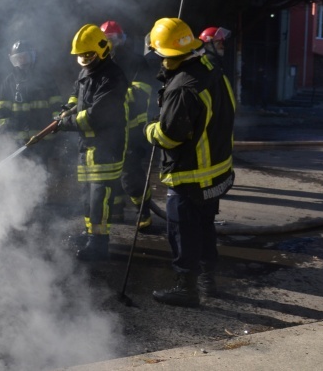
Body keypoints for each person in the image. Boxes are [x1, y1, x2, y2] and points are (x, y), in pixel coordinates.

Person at [145, 17, 236, 307]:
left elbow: (170, 136)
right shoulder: (211, 69)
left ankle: (187, 288)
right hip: (217, 174)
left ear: (165, 55)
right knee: (205, 227)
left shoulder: (181, 87)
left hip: (190, 177)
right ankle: (208, 281)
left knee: (183, 232)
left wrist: (149, 130)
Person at [55, 24, 129, 261]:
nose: (85, 59)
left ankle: (99, 243)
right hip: (87, 147)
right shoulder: (86, 73)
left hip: (106, 147)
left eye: (89, 55)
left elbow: (95, 116)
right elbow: (76, 96)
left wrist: (66, 123)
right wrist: (67, 109)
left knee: (100, 198)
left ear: (102, 50)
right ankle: (90, 234)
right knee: (88, 195)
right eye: (81, 56)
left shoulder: (113, 77)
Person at [100, 20, 155, 229]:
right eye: (105, 40)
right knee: (111, 174)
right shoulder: (101, 63)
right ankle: (116, 211)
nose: (109, 44)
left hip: (132, 129)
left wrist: (108, 96)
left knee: (130, 176)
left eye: (113, 39)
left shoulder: (137, 62)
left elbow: (140, 94)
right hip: (109, 130)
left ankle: (144, 212)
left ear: (121, 39)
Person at [0, 40, 64, 154]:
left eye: (25, 57)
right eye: (18, 58)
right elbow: (2, 109)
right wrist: (5, 128)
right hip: (18, 142)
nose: (22, 61)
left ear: (32, 56)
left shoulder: (46, 79)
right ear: (13, 60)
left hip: (44, 139)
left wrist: (56, 126)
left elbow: (57, 105)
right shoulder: (9, 82)